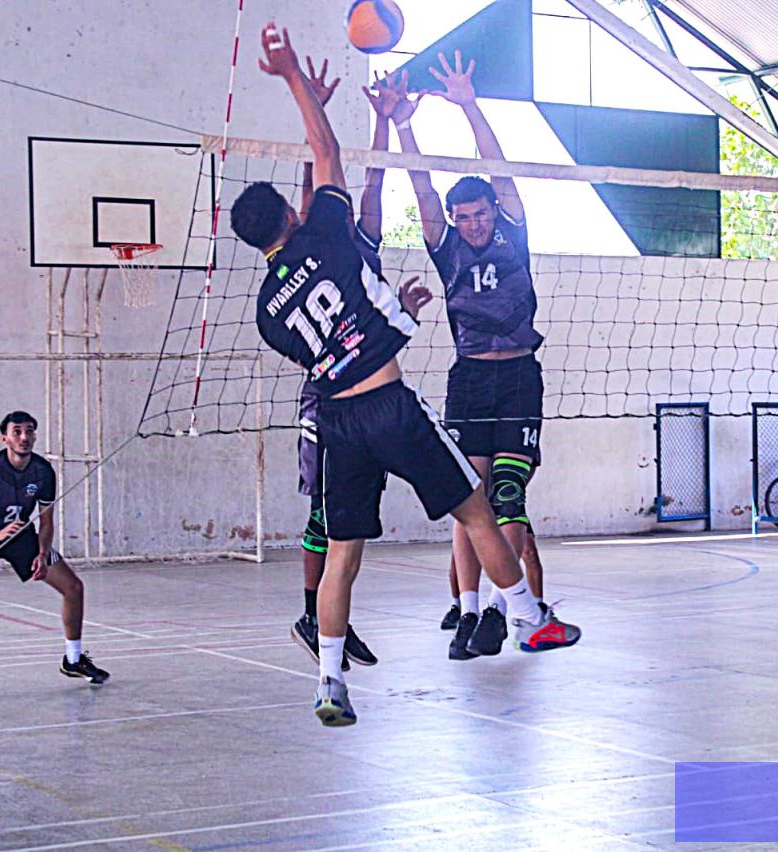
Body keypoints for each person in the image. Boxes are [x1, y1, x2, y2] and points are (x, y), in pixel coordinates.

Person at [231, 23, 580, 726]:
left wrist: (396, 318)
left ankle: (330, 681)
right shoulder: (330, 236)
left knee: (343, 554)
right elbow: (327, 152)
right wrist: (294, 76)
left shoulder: (267, 312)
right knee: (475, 508)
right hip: (391, 404)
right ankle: (526, 615)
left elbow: (331, 344)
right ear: (296, 213)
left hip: (337, 418)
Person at [394, 53, 551, 659]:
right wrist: (403, 125)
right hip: (469, 382)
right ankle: (466, 612)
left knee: (507, 496)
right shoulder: (446, 244)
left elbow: (499, 168)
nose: (473, 225)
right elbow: (421, 188)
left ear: (493, 212)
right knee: (470, 500)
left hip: (519, 378)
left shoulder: (514, 229)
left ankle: (496, 611)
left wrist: (468, 105)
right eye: (464, 218)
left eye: (480, 215)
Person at [289, 62, 411, 673]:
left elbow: (375, 182)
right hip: (326, 400)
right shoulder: (312, 247)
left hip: (371, 399)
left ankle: (331, 617)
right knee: (324, 515)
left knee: (352, 521)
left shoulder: (363, 241)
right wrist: (312, 110)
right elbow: (315, 175)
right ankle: (312, 616)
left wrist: (383, 121)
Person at [0, 411, 109, 704]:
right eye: (17, 431)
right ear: (4, 438)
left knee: (73, 588)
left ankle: (73, 659)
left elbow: (46, 520)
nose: (24, 437)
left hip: (21, 537)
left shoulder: (43, 472)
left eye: (29, 431)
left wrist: (42, 552)